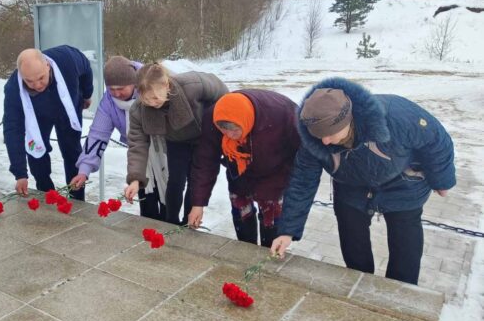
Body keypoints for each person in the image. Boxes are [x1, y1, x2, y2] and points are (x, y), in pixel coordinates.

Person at [271, 78, 456, 285]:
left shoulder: (396, 115)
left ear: (347, 120)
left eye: (330, 134)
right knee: (352, 241)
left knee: (406, 243)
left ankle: (401, 290)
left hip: (403, 182)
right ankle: (360, 286)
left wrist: (442, 180)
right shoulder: (314, 139)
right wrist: (288, 230)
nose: (324, 141)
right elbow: (302, 181)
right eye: (318, 135)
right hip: (350, 186)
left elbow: (436, 141)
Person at [187, 90, 300, 247]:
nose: (231, 136)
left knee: (271, 221)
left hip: (275, 174)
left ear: (245, 120)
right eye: (224, 132)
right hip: (239, 171)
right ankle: (246, 250)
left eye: (235, 130)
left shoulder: (282, 112)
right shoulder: (212, 117)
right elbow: (205, 161)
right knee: (242, 216)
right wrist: (198, 204)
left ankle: (270, 254)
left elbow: (303, 153)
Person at [124, 63, 228, 225]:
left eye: (156, 97)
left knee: (195, 179)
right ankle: (171, 221)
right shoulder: (139, 110)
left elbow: (222, 91)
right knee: (175, 180)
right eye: (147, 99)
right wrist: (135, 179)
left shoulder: (192, 85)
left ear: (166, 85)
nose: (152, 103)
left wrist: (220, 122)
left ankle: (189, 221)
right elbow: (137, 145)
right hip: (176, 140)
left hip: (204, 136)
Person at [70, 56, 167, 219]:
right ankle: (150, 229)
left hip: (165, 151)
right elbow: (97, 135)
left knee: (169, 195)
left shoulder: (151, 87)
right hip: (138, 154)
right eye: (111, 88)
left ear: (134, 84)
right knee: (145, 194)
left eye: (121, 88)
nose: (116, 93)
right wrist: (84, 170)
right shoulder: (108, 102)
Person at [3, 46, 93, 200]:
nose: (37, 85)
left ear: (47, 66)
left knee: (71, 150)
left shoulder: (67, 59)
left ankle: (77, 197)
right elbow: (13, 130)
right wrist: (20, 174)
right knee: (37, 152)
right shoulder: (13, 89)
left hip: (67, 106)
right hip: (37, 115)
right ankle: (47, 195)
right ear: (21, 75)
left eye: (41, 78)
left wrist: (86, 93)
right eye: (29, 81)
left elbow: (86, 67)